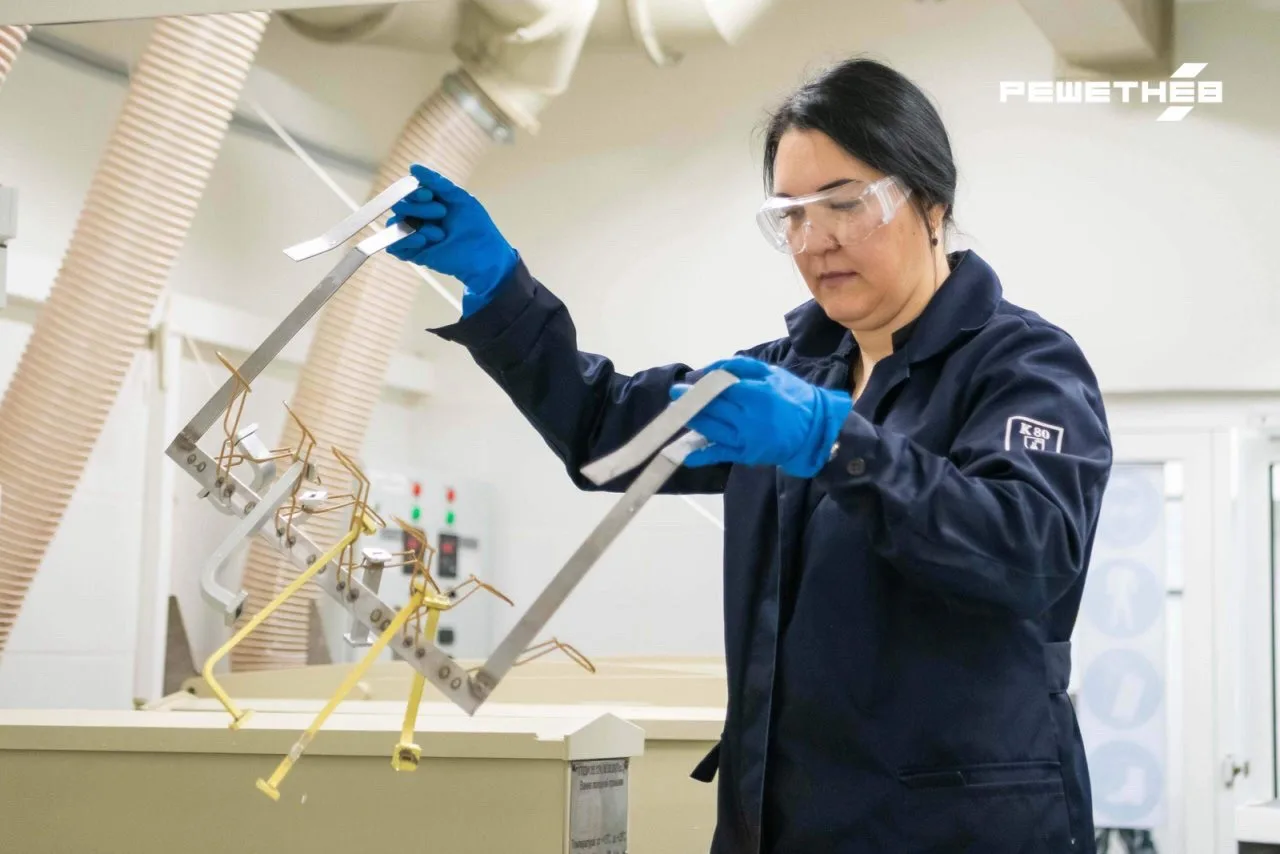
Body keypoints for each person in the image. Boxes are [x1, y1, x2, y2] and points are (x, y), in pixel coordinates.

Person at [386, 56, 1113, 854]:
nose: (817, 240)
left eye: (845, 203)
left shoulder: (1022, 365)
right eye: (791, 215)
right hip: (781, 820)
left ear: (932, 203)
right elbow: (607, 431)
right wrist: (499, 289)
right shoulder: (794, 373)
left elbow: (1031, 554)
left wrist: (837, 443)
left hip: (957, 827)